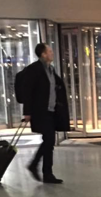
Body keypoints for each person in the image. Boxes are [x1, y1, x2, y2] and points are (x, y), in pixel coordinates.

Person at [23, 43, 70, 184]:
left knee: (49, 142)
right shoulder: (35, 69)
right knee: (49, 139)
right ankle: (36, 165)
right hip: (40, 111)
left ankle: (46, 173)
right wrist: (27, 112)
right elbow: (28, 92)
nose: (52, 53)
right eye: (49, 51)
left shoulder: (51, 69)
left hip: (51, 111)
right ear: (43, 54)